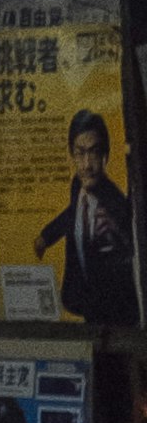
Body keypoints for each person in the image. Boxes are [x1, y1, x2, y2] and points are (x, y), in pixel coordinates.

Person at [54, 108, 140, 328]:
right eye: (79, 153)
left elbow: (130, 255)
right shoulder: (77, 185)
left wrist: (119, 240)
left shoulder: (115, 205)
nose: (86, 164)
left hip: (114, 319)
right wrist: (46, 237)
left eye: (93, 153)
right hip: (83, 305)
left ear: (106, 156)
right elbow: (70, 215)